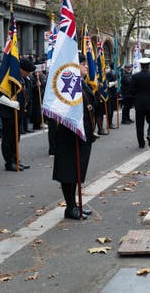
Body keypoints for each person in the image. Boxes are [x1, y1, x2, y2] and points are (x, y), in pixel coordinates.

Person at [53, 55, 95, 220]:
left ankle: (75, 204)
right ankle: (70, 207)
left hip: (82, 134)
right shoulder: (69, 86)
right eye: (83, 65)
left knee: (77, 173)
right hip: (70, 135)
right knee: (69, 172)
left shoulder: (82, 84)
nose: (86, 68)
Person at [0, 58, 35, 171]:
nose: (28, 74)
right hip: (8, 113)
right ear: (20, 69)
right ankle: (9, 162)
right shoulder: (9, 78)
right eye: (26, 71)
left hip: (19, 113)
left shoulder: (24, 80)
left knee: (16, 138)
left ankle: (15, 159)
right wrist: (10, 103)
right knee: (9, 138)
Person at [129, 57, 150, 149]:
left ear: (141, 66)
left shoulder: (135, 77)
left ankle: (141, 144)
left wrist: (135, 99)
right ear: (149, 66)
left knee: (139, 124)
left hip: (139, 104)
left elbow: (131, 91)